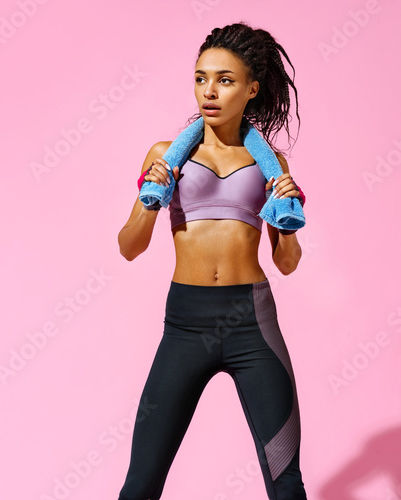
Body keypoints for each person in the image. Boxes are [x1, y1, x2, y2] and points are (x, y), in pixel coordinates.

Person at [117, 21, 308, 500]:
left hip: (253, 320)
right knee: (140, 485)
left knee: (287, 483)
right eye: (201, 78)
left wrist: (286, 218)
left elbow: (286, 263)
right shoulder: (167, 155)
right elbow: (129, 246)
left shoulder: (273, 164)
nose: (209, 90)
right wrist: (150, 198)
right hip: (186, 323)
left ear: (251, 89)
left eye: (225, 80)